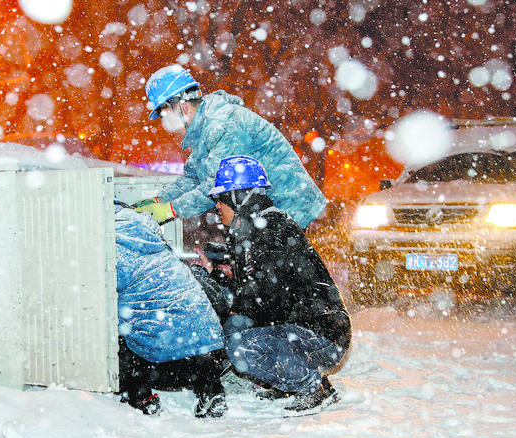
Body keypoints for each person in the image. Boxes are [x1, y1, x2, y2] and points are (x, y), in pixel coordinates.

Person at [199, 155, 351, 417]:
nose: (217, 206)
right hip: (300, 327)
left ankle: (314, 388)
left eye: (221, 198)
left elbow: (265, 293)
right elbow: (256, 292)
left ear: (239, 198)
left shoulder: (272, 227)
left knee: (239, 345)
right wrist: (219, 277)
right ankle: (290, 381)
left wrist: (230, 304)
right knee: (237, 327)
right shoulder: (250, 230)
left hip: (323, 333)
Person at [133, 64, 327, 230]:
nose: (166, 126)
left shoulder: (223, 125)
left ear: (182, 107)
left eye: (166, 116)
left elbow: (216, 187)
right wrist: (159, 200)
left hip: (295, 212)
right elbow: (193, 178)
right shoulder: (204, 129)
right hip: (269, 215)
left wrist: (170, 210)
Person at [114, 202, 229, 418]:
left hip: (164, 365)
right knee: (188, 327)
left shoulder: (111, 244)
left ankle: (141, 398)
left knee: (119, 331)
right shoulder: (156, 243)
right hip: (210, 358)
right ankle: (212, 390)